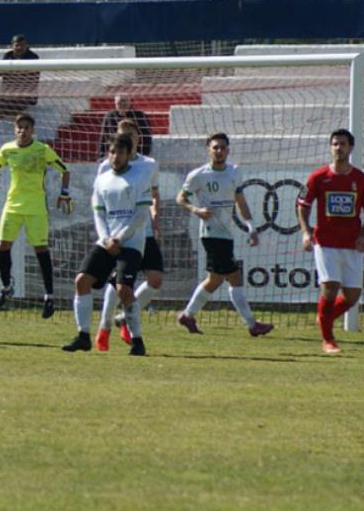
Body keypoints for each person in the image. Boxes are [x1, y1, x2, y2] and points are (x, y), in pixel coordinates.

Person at [0, 112, 71, 318]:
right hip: (13, 206)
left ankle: (49, 297)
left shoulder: (42, 150)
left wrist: (64, 193)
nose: (22, 131)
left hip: (36, 208)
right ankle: (6, 288)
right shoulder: (7, 149)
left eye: (26, 128)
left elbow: (64, 171)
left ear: (33, 130)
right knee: (3, 246)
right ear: (15, 130)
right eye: (19, 127)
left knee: (41, 250)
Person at [175, 133, 274, 338]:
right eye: (215, 147)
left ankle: (187, 315)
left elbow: (240, 200)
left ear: (228, 150)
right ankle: (252, 325)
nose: (219, 151)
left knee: (214, 280)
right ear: (208, 150)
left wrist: (251, 227)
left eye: (222, 147)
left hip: (226, 233)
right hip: (211, 233)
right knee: (234, 277)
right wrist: (196, 210)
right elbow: (180, 198)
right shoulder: (198, 175)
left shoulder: (234, 171)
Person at [63, 133, 150, 356]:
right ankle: (83, 336)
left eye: (120, 152)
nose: (115, 157)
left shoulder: (140, 176)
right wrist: (105, 239)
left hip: (131, 242)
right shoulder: (102, 179)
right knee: (82, 280)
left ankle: (137, 340)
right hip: (106, 241)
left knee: (124, 290)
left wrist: (119, 238)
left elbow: (140, 214)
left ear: (128, 154)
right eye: (112, 152)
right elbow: (99, 215)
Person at [295, 128, 364, 355]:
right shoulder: (318, 177)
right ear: (330, 148)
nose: (338, 148)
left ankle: (325, 317)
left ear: (351, 148)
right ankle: (328, 340)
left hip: (351, 244)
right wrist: (306, 232)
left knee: (352, 296)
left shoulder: (360, 179)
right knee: (330, 287)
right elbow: (303, 205)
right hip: (326, 243)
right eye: (335, 144)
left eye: (343, 144)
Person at [94, 118, 163, 349]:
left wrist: (155, 216)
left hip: (143, 230)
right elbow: (101, 201)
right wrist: (107, 235)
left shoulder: (149, 164)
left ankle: (123, 317)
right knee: (119, 283)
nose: (127, 138)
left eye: (131, 135)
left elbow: (154, 194)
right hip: (117, 235)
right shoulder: (106, 167)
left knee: (155, 279)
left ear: (137, 139)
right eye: (122, 134)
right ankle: (104, 327)